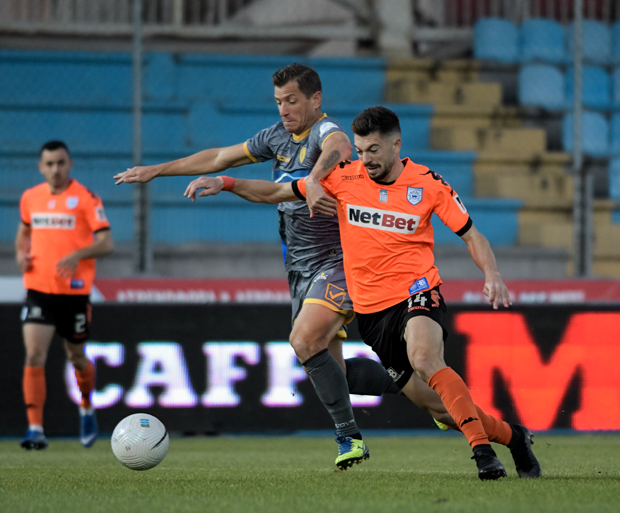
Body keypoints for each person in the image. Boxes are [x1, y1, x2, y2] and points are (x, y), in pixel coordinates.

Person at [183, 106, 542, 481]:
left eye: (373, 150)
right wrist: (227, 182)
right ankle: (514, 438)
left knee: (425, 357)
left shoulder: (428, 183)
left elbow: (471, 235)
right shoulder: (344, 177)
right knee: (440, 409)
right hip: (372, 314)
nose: (365, 158)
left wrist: (492, 274)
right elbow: (276, 191)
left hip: (417, 291)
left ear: (396, 145)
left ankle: (483, 454)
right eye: (359, 150)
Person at [114, 63, 406, 470]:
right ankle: (418, 383)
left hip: (338, 260)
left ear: (315, 100)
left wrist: (315, 178)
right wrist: (157, 170)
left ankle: (349, 438)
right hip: (299, 269)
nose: (284, 109)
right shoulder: (276, 137)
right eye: (279, 101)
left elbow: (340, 145)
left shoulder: (323, 131)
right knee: (332, 370)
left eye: (292, 101)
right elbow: (220, 157)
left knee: (304, 341)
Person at [16, 140, 114, 449]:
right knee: (34, 354)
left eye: (60, 163)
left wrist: (78, 255)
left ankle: (86, 405)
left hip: (74, 293)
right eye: (49, 164)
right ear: (41, 167)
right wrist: (20, 253)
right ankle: (35, 429)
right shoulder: (30, 197)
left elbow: (107, 243)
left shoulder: (86, 198)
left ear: (70, 164)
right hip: (39, 289)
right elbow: (24, 232)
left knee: (76, 357)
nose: (55, 169)